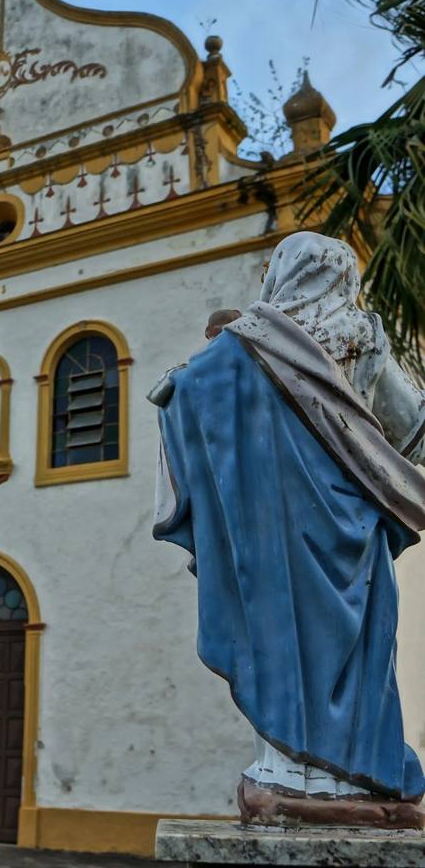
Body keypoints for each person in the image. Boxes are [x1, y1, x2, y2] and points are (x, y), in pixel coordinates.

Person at [152, 232, 425, 828]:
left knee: (274, 647)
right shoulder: (360, 337)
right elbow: (413, 430)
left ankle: (285, 775)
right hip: (353, 539)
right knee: (358, 656)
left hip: (266, 543)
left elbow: (178, 395)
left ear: (282, 275)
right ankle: (360, 777)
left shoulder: (238, 349)